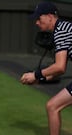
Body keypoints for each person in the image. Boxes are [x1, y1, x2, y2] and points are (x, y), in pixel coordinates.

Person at [20, 2, 72, 135]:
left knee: (52, 106)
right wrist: (40, 79)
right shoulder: (63, 28)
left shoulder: (60, 31)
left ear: (50, 16)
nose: (37, 22)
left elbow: (59, 67)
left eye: (39, 18)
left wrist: (35, 75)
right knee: (52, 106)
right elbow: (60, 69)